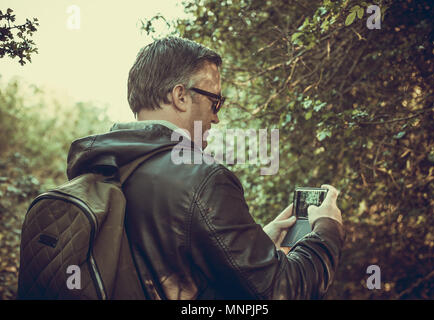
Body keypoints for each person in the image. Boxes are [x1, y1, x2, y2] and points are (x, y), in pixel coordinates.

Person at [66, 36, 345, 299]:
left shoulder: (102, 168)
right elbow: (282, 290)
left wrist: (255, 247)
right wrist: (326, 228)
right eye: (215, 101)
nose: (217, 117)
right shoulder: (202, 178)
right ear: (181, 96)